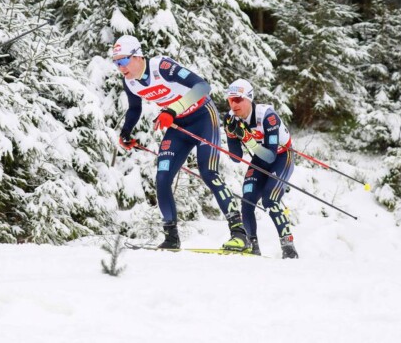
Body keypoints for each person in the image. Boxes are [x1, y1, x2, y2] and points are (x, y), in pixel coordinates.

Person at [112, 35, 248, 250]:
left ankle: (240, 233)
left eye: (123, 60)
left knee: (208, 172)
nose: (120, 67)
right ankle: (171, 237)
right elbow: (134, 108)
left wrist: (172, 109)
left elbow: (203, 87)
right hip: (178, 126)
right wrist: (126, 132)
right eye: (116, 62)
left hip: (203, 116)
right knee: (163, 176)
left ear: (137, 56)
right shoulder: (129, 81)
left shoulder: (162, 67)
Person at [224, 79, 299, 259]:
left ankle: (288, 245)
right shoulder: (231, 117)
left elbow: (271, 156)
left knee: (269, 199)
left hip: (282, 156)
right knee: (247, 200)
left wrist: (248, 139)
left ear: (249, 98)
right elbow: (235, 158)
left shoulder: (267, 116)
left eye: (238, 99)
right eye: (230, 100)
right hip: (260, 159)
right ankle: (252, 245)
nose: (233, 104)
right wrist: (230, 134)